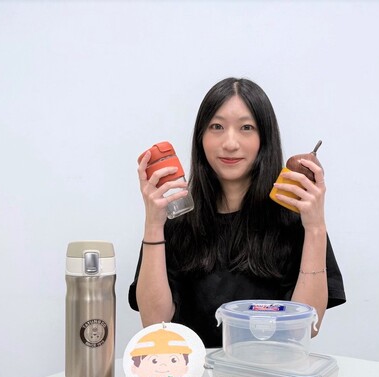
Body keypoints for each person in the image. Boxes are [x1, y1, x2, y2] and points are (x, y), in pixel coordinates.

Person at [129, 77, 345, 349]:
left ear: (264, 138)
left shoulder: (295, 219)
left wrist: (315, 228)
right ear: (201, 137)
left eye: (246, 127)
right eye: (217, 127)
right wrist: (153, 223)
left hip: (269, 370)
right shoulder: (176, 219)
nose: (230, 143)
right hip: (194, 372)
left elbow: (307, 328)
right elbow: (155, 324)